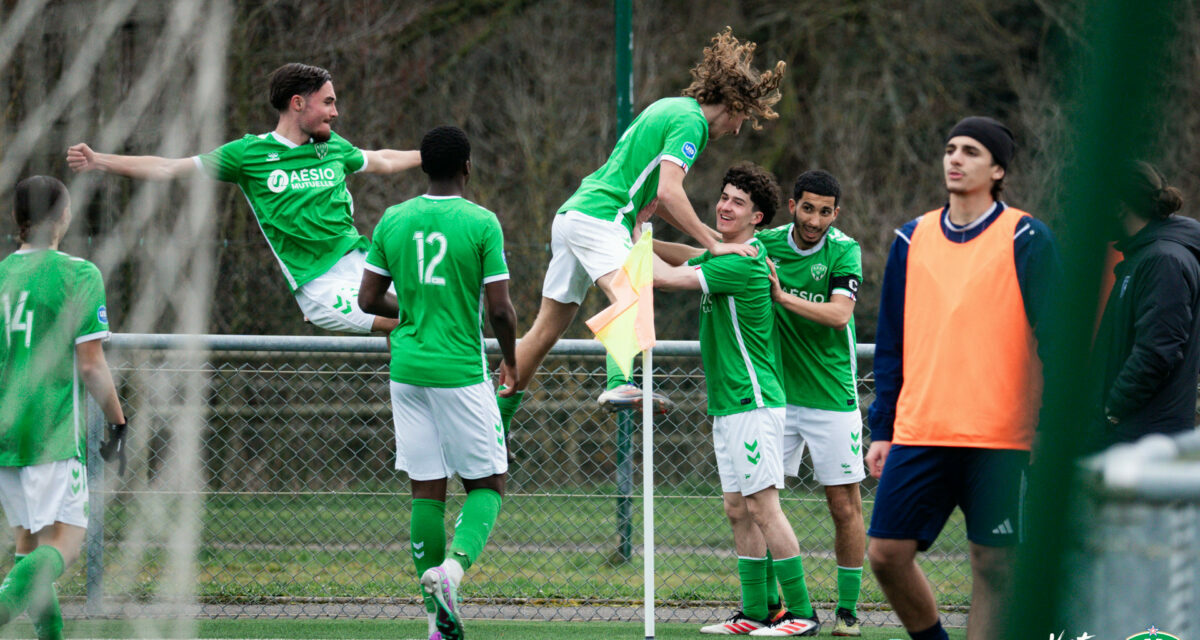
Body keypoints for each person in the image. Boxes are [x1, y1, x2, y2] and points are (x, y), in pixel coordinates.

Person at [495, 28, 786, 429]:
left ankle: (495, 420)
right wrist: (714, 245)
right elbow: (669, 192)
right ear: (733, 105)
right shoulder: (693, 125)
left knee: (545, 331)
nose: (737, 130)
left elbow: (654, 197)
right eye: (743, 119)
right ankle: (620, 383)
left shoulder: (673, 107)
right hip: (602, 217)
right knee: (631, 289)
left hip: (574, 216)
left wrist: (712, 237)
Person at [865, 117, 1058, 640]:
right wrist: (881, 427)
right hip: (920, 430)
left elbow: (1060, 341)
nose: (955, 158)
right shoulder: (911, 237)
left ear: (997, 169)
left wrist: (1050, 425)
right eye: (950, 148)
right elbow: (891, 344)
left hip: (1000, 436)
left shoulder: (1026, 236)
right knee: (885, 554)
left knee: (994, 567)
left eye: (971, 151)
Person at [67, 62, 420, 335]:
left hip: (360, 261)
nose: (335, 112)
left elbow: (383, 160)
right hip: (318, 284)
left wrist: (431, 154)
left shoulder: (332, 147)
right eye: (328, 102)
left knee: (424, 313)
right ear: (298, 103)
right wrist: (100, 160)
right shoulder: (248, 155)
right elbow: (167, 168)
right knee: (405, 326)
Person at [357, 126, 516, 640]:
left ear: (424, 166)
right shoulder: (481, 222)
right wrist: (510, 361)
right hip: (459, 373)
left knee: (426, 491)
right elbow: (501, 310)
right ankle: (452, 572)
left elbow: (366, 300)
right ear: (467, 167)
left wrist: (414, 311)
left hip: (406, 371)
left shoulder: (394, 219)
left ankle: (435, 625)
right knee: (488, 483)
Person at [654, 162, 819, 637]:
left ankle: (802, 614)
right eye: (723, 197)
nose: (724, 206)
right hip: (728, 404)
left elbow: (667, 278)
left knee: (764, 508)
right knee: (737, 508)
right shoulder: (723, 253)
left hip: (754, 401)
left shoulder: (742, 262)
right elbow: (686, 252)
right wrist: (636, 238)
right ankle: (755, 612)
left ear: (759, 219)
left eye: (738, 202)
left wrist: (615, 252)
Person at [0, 176, 128, 640]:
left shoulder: (1, 275)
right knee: (66, 544)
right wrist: (118, 423)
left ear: (18, 219)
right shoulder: (77, 274)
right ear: (63, 216)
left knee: (28, 545)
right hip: (51, 430)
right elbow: (92, 366)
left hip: (5, 436)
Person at [757, 170, 866, 636]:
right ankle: (772, 606)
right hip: (778, 397)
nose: (815, 219)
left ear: (835, 213)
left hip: (832, 397)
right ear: (792, 205)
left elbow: (840, 315)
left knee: (844, 507)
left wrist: (781, 296)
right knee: (761, 503)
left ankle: (847, 611)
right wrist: (644, 241)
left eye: (825, 211)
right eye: (808, 208)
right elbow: (707, 256)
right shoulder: (765, 244)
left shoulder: (844, 249)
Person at [1092, 161, 1200, 446]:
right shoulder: (1143, 255)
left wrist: (1111, 410)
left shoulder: (1163, 260)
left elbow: (1156, 351)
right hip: (1132, 434)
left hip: (1143, 443)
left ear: (1118, 206)